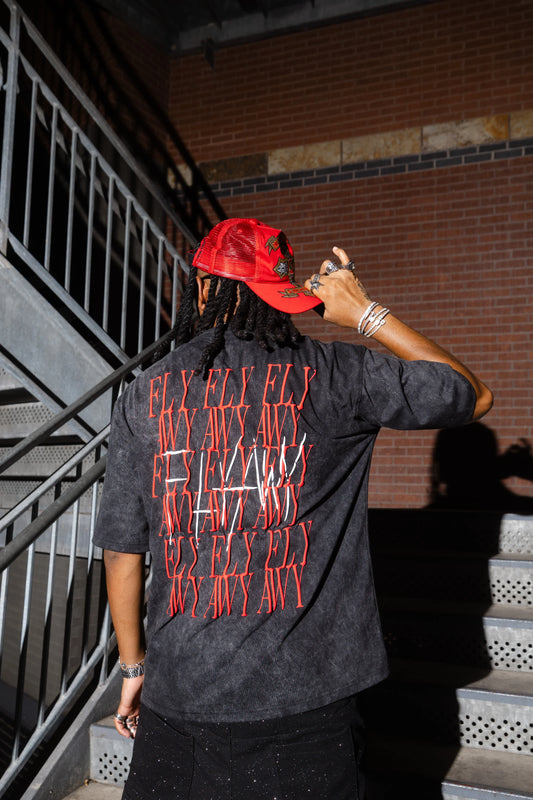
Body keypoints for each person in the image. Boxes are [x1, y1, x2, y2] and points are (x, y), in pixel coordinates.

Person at [93, 217, 492, 800]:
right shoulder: (335, 374)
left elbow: (122, 552)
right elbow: (472, 394)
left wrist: (134, 667)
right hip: (308, 707)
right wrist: (365, 314)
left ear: (203, 288)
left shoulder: (145, 394)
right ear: (282, 296)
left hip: (180, 699)